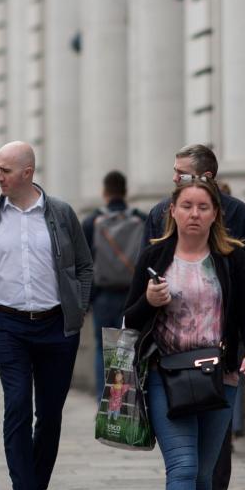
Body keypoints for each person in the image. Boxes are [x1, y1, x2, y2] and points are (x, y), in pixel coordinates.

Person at [125, 178, 245, 490]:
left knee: (204, 472)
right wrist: (148, 302)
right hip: (166, 375)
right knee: (183, 466)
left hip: (219, 377)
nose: (194, 214)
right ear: (173, 210)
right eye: (186, 206)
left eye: (203, 207)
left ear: (215, 214)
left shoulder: (230, 258)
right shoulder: (156, 256)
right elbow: (128, 319)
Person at [142, 144, 245, 490]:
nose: (174, 180)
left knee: (216, 438)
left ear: (209, 181)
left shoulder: (239, 215)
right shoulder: (157, 215)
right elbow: (139, 292)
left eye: (181, 173)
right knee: (183, 461)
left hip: (225, 349)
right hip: (169, 359)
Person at [0, 141, 93, 490]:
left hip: (56, 327)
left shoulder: (61, 214)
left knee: (50, 414)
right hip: (7, 325)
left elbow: (84, 266)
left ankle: (36, 488)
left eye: (5, 169)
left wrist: (78, 308)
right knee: (17, 405)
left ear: (27, 173)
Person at [83, 170, 146, 401]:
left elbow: (84, 263)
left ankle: (106, 400)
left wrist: (87, 299)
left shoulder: (92, 222)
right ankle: (127, 401)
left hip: (103, 296)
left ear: (104, 191)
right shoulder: (141, 219)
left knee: (103, 349)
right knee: (128, 348)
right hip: (133, 296)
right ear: (125, 191)